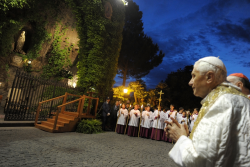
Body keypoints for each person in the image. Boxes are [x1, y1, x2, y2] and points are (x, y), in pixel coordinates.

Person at [165, 56, 250, 167]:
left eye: (194, 76)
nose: (190, 82)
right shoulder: (240, 98)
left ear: (209, 77)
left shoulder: (222, 102)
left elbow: (200, 160)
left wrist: (180, 137)